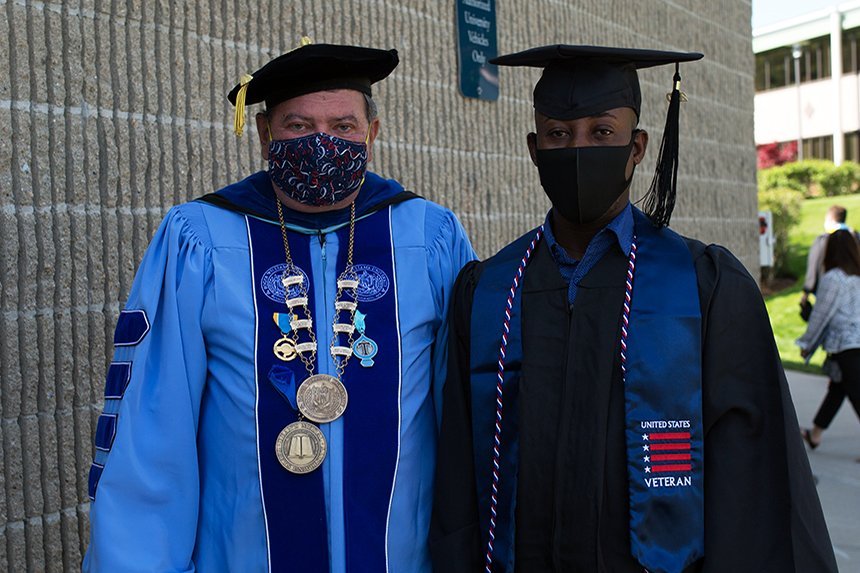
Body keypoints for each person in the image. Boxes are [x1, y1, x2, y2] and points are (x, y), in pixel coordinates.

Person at [430, 44, 837, 572]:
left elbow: (753, 478)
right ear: (534, 148)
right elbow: (460, 473)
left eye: (602, 132)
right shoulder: (488, 290)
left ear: (638, 146)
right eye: (558, 134)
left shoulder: (703, 285)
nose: (578, 148)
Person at [83, 39, 475, 572]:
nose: (321, 143)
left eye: (343, 127)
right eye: (298, 126)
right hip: (242, 555)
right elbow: (154, 425)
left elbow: (467, 411)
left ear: (372, 133)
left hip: (401, 556)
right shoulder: (200, 237)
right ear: (266, 133)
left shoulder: (429, 236)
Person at [797, 229, 860, 450]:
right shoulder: (857, 275)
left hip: (847, 346)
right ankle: (815, 435)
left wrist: (806, 344)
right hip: (854, 343)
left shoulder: (834, 278)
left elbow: (822, 315)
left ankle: (815, 434)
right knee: (838, 389)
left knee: (855, 393)